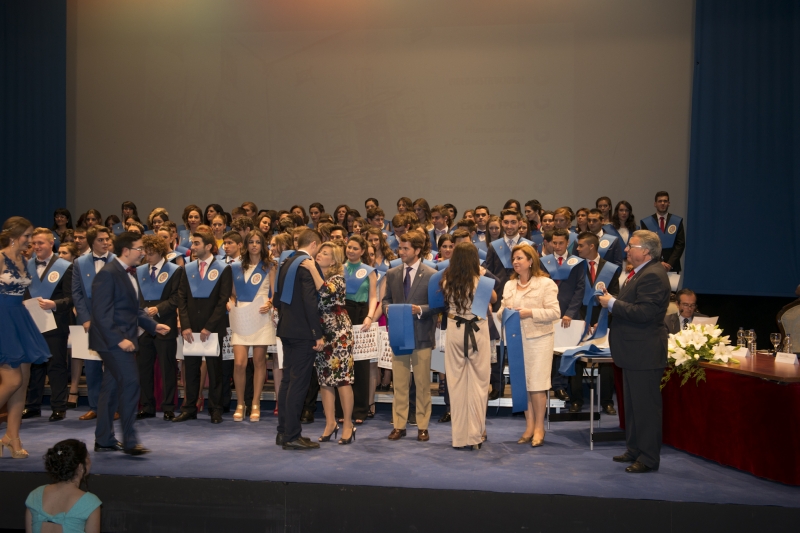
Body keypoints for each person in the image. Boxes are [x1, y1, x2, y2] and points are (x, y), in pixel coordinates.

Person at [598, 230, 670, 473]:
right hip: (633, 351)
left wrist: (612, 303)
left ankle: (648, 458)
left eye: (632, 246)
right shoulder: (639, 273)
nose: (627, 249)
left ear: (646, 251)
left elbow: (644, 313)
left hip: (644, 352)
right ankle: (635, 449)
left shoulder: (653, 275)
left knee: (646, 408)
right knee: (632, 406)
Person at [91, 232, 167, 455]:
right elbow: (101, 314)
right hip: (112, 342)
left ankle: (104, 439)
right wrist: (119, 339)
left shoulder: (129, 273)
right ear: (126, 251)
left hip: (119, 339)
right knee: (131, 383)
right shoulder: (108, 274)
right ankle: (130, 441)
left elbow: (135, 309)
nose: (143, 253)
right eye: (139, 248)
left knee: (111, 388)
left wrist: (153, 326)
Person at [497, 243, 560, 447]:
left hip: (539, 340)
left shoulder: (545, 283)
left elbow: (555, 313)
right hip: (516, 339)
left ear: (531, 261)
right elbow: (500, 312)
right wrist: (505, 312)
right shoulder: (509, 285)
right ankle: (529, 426)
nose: (515, 262)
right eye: (514, 259)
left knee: (537, 385)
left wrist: (529, 312)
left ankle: (540, 427)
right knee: (522, 384)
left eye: (520, 258)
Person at [382, 230, 440, 442]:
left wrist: (420, 309)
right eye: (400, 248)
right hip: (399, 335)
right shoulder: (392, 273)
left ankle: (422, 426)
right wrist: (388, 309)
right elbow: (386, 300)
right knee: (399, 384)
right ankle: (399, 425)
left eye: (406, 248)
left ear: (417, 250)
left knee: (423, 384)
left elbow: (438, 305)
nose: (401, 252)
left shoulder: (432, 274)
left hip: (422, 335)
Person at [0, 218, 51, 459]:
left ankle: (12, 437)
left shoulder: (24, 260)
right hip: (3, 320)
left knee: (22, 383)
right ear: (14, 236)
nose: (30, 241)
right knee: (12, 381)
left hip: (20, 319)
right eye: (27, 236)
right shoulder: (0, 258)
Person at [300, 242, 357, 444]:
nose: (319, 255)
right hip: (321, 333)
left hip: (339, 334)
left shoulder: (337, 279)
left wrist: (310, 268)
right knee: (325, 380)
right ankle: (330, 423)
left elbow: (324, 291)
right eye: (320, 252)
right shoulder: (314, 276)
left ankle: (348, 424)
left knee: (342, 379)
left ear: (333, 261)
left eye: (325, 254)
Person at [442, 243, 497, 449]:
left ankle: (459, 437)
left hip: (455, 330)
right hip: (477, 330)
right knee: (479, 384)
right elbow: (494, 298)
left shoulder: (447, 280)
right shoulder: (481, 281)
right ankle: (475, 435)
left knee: (456, 383)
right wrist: (483, 275)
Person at [174, 231, 233, 424]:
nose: (193, 247)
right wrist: (185, 325)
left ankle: (215, 409)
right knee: (191, 370)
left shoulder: (223, 268)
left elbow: (223, 300)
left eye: (197, 243)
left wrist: (209, 326)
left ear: (208, 246)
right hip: (191, 327)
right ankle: (189, 408)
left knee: (216, 370)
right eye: (192, 243)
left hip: (213, 327)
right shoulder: (188, 268)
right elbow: (181, 298)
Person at [274, 229, 325, 450]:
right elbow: (311, 302)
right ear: (313, 244)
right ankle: (292, 435)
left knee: (287, 381)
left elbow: (276, 299)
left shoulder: (285, 261)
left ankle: (283, 432)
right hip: (303, 332)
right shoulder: (307, 265)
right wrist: (317, 333)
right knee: (298, 383)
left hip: (286, 329)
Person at [21, 228, 74, 422]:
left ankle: (59, 407)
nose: (36, 247)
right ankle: (32, 405)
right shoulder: (25, 266)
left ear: (52, 243)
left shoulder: (65, 267)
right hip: (30, 322)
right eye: (34, 243)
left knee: (56, 365)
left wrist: (55, 304)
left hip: (55, 322)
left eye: (40, 243)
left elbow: (72, 298)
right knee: (35, 366)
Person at [229, 229, 276, 422]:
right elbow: (233, 294)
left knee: (259, 361)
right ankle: (240, 403)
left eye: (258, 242)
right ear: (245, 245)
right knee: (239, 363)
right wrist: (230, 302)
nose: (254, 245)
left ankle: (255, 403)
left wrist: (270, 303)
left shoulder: (270, 266)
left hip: (261, 315)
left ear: (263, 245)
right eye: (251, 242)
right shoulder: (236, 267)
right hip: (241, 314)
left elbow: (274, 293)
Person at [571, 232, 620, 415]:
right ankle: (576, 399)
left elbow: (615, 294)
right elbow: (572, 294)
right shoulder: (574, 266)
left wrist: (602, 319)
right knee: (576, 358)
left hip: (603, 318)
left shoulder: (610, 268)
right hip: (579, 317)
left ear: (591, 246)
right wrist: (581, 320)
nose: (577, 249)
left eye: (580, 245)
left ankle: (607, 401)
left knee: (605, 360)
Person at [135, 235, 182, 421]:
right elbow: (136, 296)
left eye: (151, 253)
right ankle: (147, 406)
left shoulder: (175, 270)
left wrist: (159, 308)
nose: (147, 256)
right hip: (143, 326)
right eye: (145, 253)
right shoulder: (139, 271)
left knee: (167, 367)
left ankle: (168, 406)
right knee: (144, 368)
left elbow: (177, 297)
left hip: (165, 323)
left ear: (161, 252)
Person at [71, 225, 114, 421]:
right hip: (89, 322)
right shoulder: (79, 263)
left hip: (114, 321)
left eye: (107, 239)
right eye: (100, 240)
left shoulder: (119, 261)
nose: (105, 243)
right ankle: (95, 406)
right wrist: (86, 319)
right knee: (92, 366)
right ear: (91, 242)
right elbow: (77, 293)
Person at [539, 228, 585, 402]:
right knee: (547, 350)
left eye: (561, 243)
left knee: (563, 352)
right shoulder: (544, 262)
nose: (557, 246)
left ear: (568, 243)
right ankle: (545, 384)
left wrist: (570, 313)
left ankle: (560, 386)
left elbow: (580, 289)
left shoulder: (577, 262)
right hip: (547, 313)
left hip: (568, 314)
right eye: (554, 243)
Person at [336, 235, 378, 424]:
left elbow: (373, 297)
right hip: (341, 314)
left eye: (355, 248)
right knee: (341, 363)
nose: (351, 251)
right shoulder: (338, 268)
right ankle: (341, 410)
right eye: (349, 247)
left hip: (361, 315)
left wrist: (369, 316)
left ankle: (360, 410)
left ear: (362, 251)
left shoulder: (369, 271)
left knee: (360, 364)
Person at [25, 439, 101, 533]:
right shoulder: (90, 502)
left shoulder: (35, 495)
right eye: (88, 457)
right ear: (80, 467)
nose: (90, 461)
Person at [639, 191, 685, 273]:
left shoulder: (676, 221)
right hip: (653, 264)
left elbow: (680, 244)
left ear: (669, 203)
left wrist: (670, 263)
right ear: (655, 204)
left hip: (672, 266)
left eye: (665, 201)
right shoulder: (647, 223)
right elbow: (646, 245)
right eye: (660, 201)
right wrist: (659, 262)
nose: (663, 203)